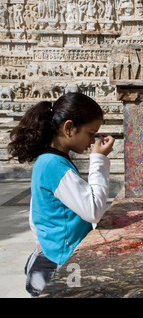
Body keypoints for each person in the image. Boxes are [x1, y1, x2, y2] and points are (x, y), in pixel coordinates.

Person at [8, 93, 115, 297]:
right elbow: (92, 211)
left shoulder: (48, 161)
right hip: (61, 262)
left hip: (53, 253)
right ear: (69, 128)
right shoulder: (54, 165)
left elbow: (36, 208)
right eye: (91, 133)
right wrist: (99, 159)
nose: (92, 140)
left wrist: (41, 240)